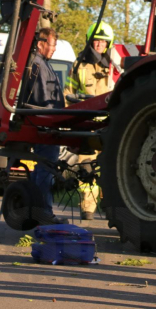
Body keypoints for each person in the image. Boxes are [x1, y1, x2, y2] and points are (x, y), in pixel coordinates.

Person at [64, 21, 117, 220]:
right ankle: (87, 208)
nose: (99, 45)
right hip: (86, 124)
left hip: (110, 125)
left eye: (104, 42)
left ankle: (111, 208)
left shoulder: (115, 65)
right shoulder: (79, 65)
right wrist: (68, 120)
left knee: (111, 167)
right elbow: (68, 93)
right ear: (89, 42)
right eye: (96, 41)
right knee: (86, 167)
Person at [23, 27, 67, 224]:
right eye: (52, 44)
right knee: (45, 168)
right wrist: (51, 120)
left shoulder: (41, 64)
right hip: (45, 124)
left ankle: (34, 211)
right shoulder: (37, 65)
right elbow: (43, 98)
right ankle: (43, 213)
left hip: (47, 122)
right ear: (41, 44)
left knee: (44, 168)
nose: (54, 49)